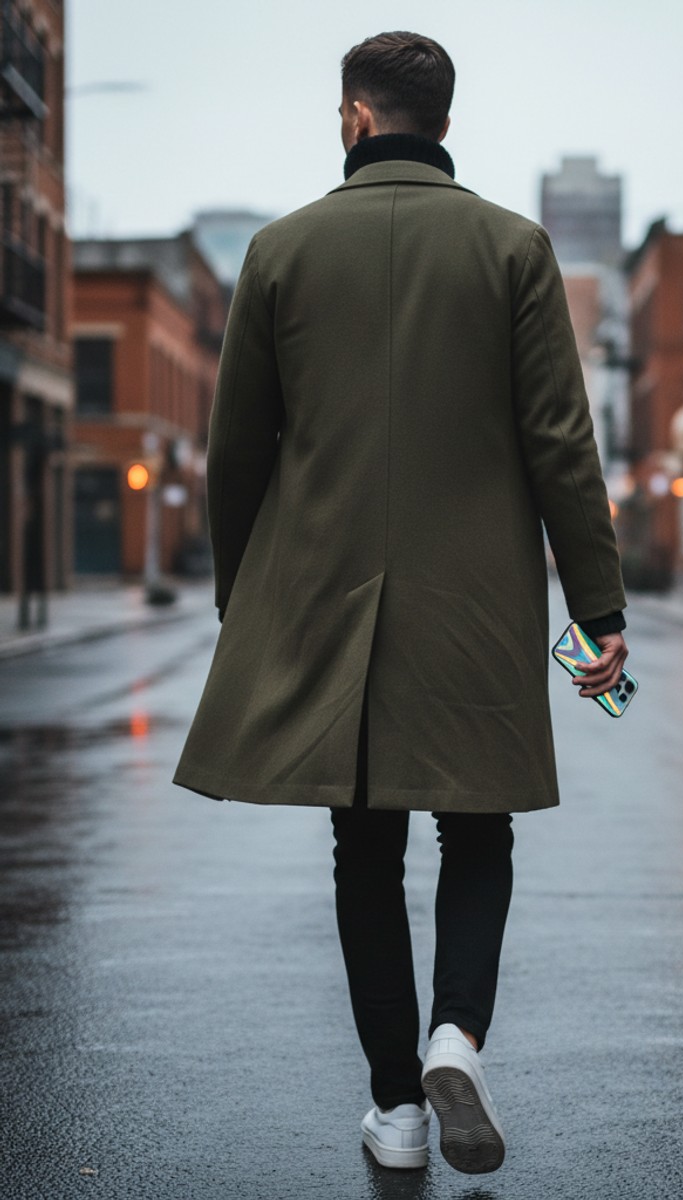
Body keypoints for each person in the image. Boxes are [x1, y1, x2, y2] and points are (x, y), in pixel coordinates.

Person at [174, 31, 628, 1176]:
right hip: (478, 600)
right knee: (480, 828)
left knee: (362, 850)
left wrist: (247, 598)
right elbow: (562, 447)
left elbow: (236, 453)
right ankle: (457, 1036)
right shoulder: (513, 249)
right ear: (441, 117)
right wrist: (599, 606)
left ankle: (397, 1109)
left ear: (355, 118)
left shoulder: (279, 253)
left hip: (326, 598)